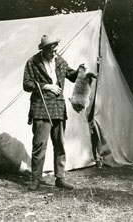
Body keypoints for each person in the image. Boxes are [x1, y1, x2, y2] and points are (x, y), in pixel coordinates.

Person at [23, 34, 85, 191]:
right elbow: (26, 84)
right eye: (52, 50)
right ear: (44, 50)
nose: (55, 53)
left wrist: (80, 71)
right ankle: (36, 179)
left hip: (58, 107)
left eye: (56, 49)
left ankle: (60, 178)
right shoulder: (33, 62)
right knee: (39, 145)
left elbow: (71, 76)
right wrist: (46, 86)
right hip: (40, 108)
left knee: (59, 144)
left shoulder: (60, 61)